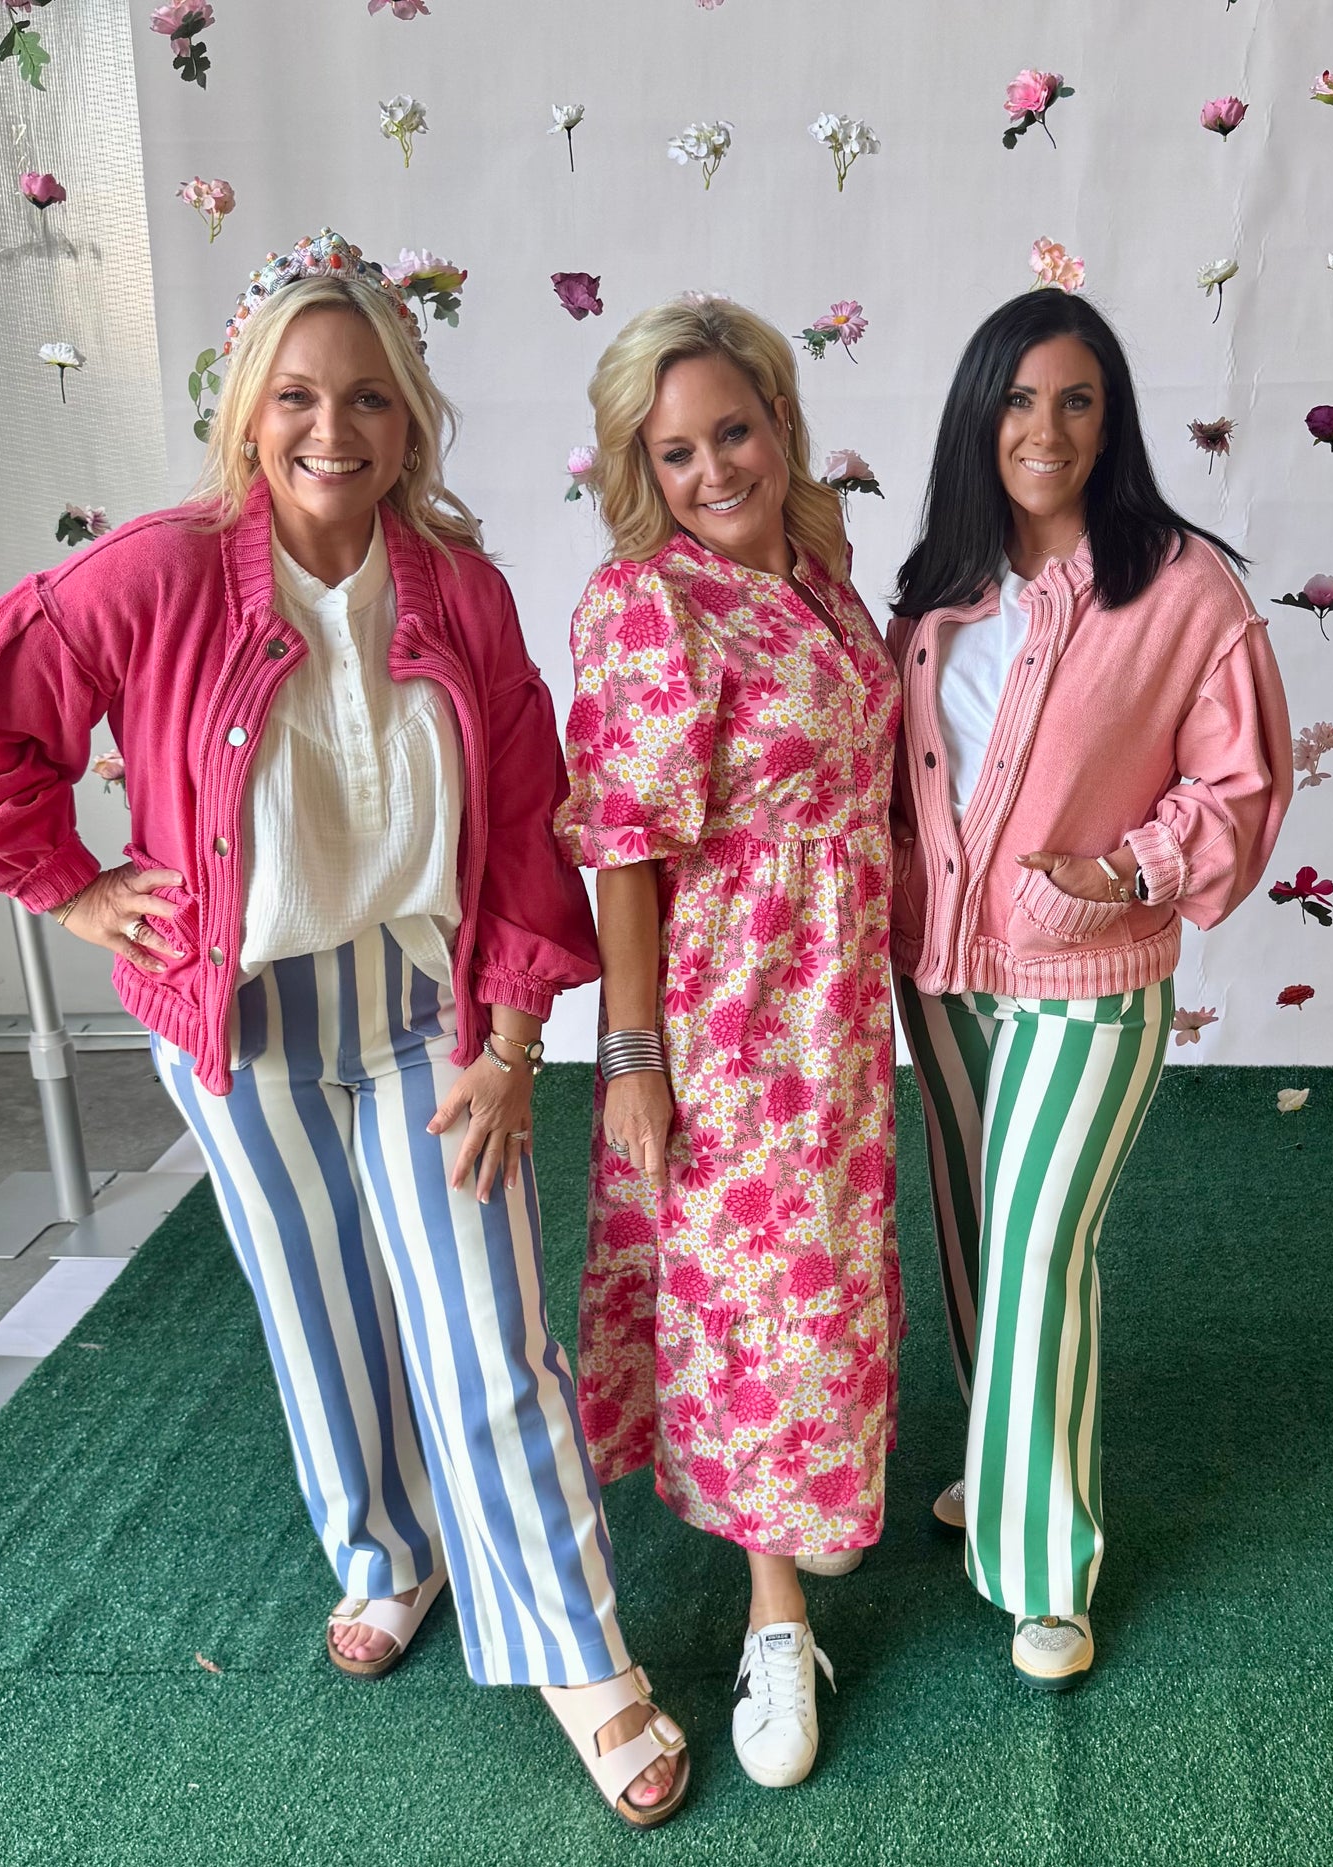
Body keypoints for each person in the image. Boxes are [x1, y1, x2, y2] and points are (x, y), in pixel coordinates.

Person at [0, 230, 687, 1826]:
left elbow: (520, 825)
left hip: (426, 1009)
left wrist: (508, 1045)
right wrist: (75, 891)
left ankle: (579, 1651)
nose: (331, 430)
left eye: (366, 397)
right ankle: (388, 1555)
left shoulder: (463, 592)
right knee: (317, 1314)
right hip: (244, 1019)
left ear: (409, 419)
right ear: (246, 408)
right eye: (296, 395)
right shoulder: (152, 575)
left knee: (484, 1337)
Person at [889, 289, 1292, 1689]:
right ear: (976, 416)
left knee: (1039, 1245)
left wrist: (1123, 873)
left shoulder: (1181, 589)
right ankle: (999, 1465)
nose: (1043, 429)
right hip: (937, 972)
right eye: (1016, 400)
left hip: (1086, 976)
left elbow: (1239, 785)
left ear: (1108, 420)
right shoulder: (936, 582)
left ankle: (1044, 1566)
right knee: (973, 1230)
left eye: (1073, 401)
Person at [555, 296, 903, 1787]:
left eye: (733, 432)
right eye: (676, 449)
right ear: (644, 463)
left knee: (822, 1284)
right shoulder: (649, 602)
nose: (713, 470)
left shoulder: (821, 574)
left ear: (778, 420)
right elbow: (623, 850)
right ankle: (773, 1616)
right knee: (766, 1296)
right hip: (734, 1004)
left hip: (841, 992)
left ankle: (806, 1522)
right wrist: (633, 1059)